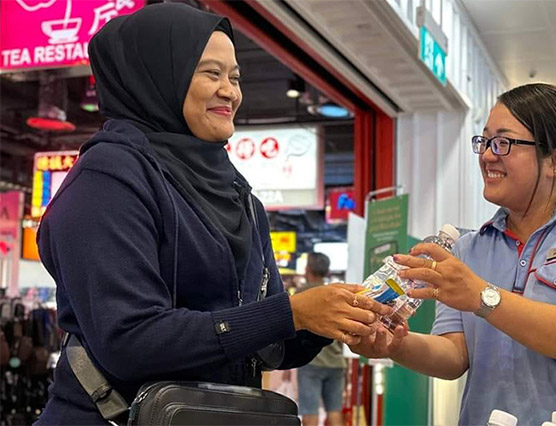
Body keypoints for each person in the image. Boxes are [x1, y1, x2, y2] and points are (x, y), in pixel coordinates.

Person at [34, 4, 387, 424]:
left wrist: (335, 318)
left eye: (235, 77)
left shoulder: (239, 196)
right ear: (158, 76)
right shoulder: (107, 181)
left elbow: (266, 344)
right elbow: (129, 339)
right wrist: (291, 312)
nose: (230, 91)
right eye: (210, 73)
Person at [351, 83, 556, 424]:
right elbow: (454, 355)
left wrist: (481, 295)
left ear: (555, 160)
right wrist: (393, 345)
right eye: (483, 141)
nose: (487, 155)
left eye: (504, 142)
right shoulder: (470, 248)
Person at [297, 253, 348, 426]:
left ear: (307, 269)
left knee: (309, 412)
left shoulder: (301, 295)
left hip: (311, 362)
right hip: (337, 362)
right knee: (334, 411)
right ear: (327, 271)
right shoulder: (335, 293)